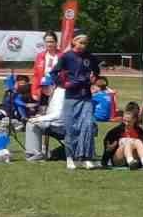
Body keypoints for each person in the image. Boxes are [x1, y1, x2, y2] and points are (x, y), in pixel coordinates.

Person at [55, 31, 102, 170]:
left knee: (87, 126)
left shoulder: (90, 57)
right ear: (74, 42)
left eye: (85, 43)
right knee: (71, 128)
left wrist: (94, 79)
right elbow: (54, 73)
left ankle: (86, 157)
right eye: (80, 42)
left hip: (86, 96)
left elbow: (96, 72)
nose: (83, 46)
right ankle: (70, 157)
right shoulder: (66, 57)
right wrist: (64, 84)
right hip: (71, 97)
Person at [25, 82, 68, 161]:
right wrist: (40, 116)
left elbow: (58, 115)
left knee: (32, 124)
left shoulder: (60, 94)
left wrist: (39, 119)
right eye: (43, 87)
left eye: (46, 87)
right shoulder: (52, 94)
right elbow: (51, 113)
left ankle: (35, 154)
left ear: (54, 85)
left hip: (62, 126)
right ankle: (33, 153)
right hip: (54, 123)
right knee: (31, 122)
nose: (44, 89)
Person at [103, 102, 143, 169]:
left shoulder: (139, 131)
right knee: (127, 141)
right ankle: (130, 162)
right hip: (119, 159)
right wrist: (109, 149)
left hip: (135, 157)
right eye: (124, 120)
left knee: (138, 141)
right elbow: (107, 149)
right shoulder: (116, 131)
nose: (126, 123)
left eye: (128, 121)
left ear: (134, 120)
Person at [32, 31, 60, 95]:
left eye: (51, 42)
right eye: (47, 42)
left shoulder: (62, 56)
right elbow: (36, 75)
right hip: (43, 89)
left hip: (58, 89)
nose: (49, 44)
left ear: (56, 42)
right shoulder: (40, 56)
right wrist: (34, 91)